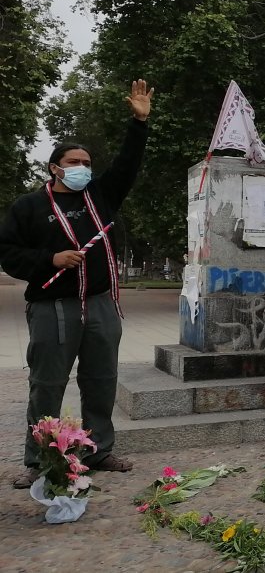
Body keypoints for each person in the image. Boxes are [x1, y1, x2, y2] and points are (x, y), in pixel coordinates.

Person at [0, 79, 154, 488]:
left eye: (86, 161)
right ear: (55, 167)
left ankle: (98, 450)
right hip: (53, 306)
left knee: (101, 379)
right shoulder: (30, 206)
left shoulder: (99, 196)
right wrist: (49, 259)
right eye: (73, 162)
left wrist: (139, 122)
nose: (82, 167)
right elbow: (8, 252)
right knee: (47, 383)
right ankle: (40, 459)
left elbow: (127, 165)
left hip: (101, 303)